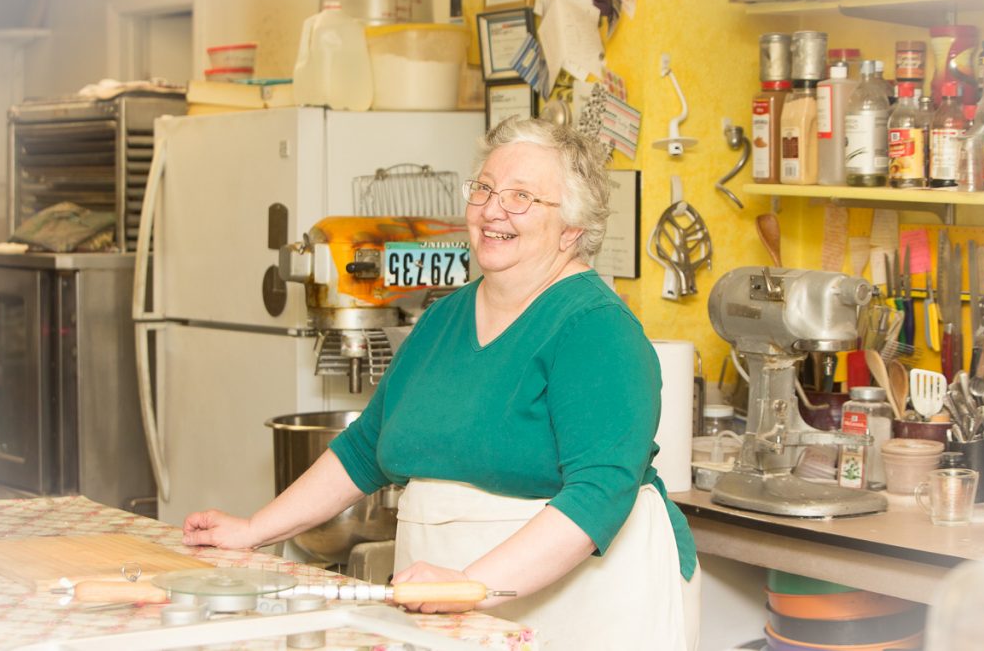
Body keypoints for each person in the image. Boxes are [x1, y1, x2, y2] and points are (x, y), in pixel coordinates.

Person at [183, 117, 700, 650]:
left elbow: (599, 494)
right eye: (484, 188)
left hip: (585, 611)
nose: (493, 209)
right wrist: (254, 531)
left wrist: (470, 584)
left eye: (522, 196)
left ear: (572, 229)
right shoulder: (443, 319)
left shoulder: (595, 328)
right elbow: (364, 451)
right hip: (455, 608)